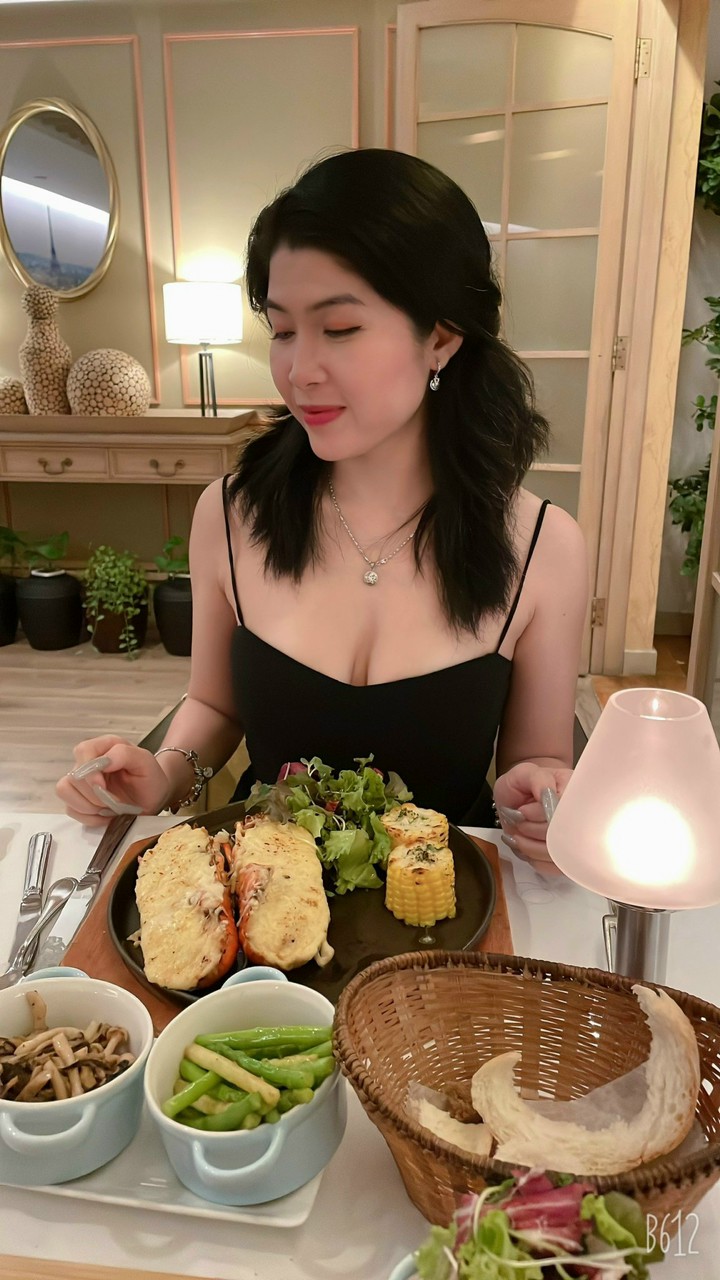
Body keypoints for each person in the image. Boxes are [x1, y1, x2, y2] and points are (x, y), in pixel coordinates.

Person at [57, 147, 587, 874]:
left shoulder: (542, 546)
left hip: (446, 914)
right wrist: (163, 772)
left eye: (338, 329)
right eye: (281, 330)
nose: (299, 370)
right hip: (256, 899)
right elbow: (214, 707)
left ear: (440, 337)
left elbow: (535, 765)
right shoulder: (231, 515)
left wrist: (544, 808)